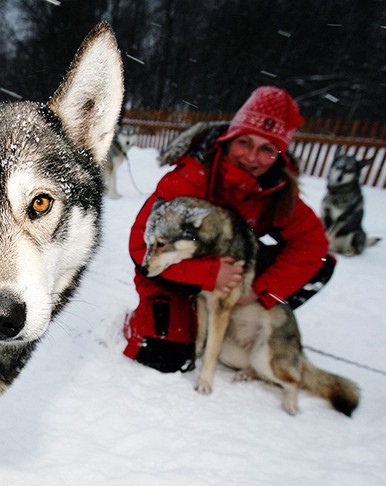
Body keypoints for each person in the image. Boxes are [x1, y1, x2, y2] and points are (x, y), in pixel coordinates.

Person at [123, 86, 335, 373]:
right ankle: (173, 317)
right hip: (175, 273)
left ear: (279, 156)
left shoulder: (277, 189)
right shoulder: (189, 179)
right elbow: (140, 246)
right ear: (228, 139)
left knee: (321, 265)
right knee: (166, 356)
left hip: (235, 267)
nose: (251, 157)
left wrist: (260, 292)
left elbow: (311, 245)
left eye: (266, 149)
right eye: (244, 143)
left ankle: (240, 317)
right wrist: (210, 275)